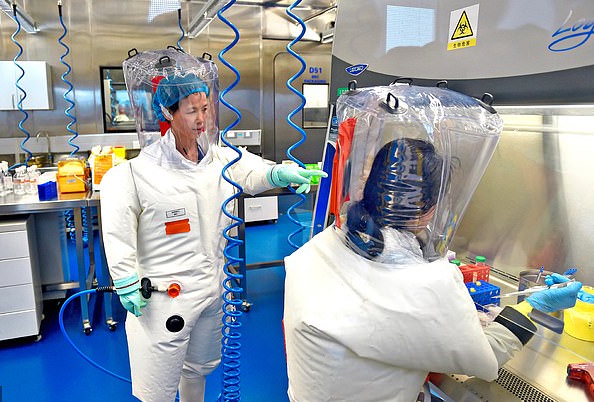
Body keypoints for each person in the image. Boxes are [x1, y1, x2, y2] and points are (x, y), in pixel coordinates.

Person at [282, 85, 582, 402]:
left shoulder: (326, 244)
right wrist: (536, 307)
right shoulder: (424, 284)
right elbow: (485, 361)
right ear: (429, 207)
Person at [100, 49, 325, 402]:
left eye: (205, 109)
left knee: (199, 368)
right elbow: (117, 233)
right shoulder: (132, 174)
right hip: (163, 299)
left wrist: (280, 171)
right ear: (167, 113)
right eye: (191, 111)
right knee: (156, 386)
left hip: (214, 289)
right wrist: (125, 279)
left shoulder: (219, 158)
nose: (201, 119)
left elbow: (251, 171)